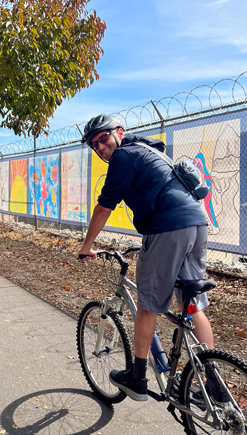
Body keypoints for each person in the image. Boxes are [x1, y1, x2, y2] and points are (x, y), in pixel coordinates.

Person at [77, 113, 213, 402]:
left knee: (148, 305)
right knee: (191, 305)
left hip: (168, 228)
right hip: (197, 224)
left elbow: (104, 207)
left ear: (119, 133)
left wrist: (87, 245)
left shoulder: (123, 157)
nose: (100, 147)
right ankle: (212, 383)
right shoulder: (150, 152)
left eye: (103, 139)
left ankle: (137, 379)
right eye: (94, 145)